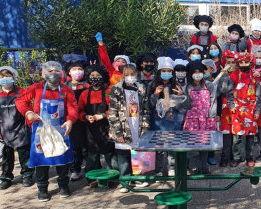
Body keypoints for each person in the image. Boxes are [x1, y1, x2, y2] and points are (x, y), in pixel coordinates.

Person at [15, 61, 77, 201]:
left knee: (62, 159)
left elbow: (73, 107)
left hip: (61, 130)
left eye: (56, 70)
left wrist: (71, 120)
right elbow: (20, 101)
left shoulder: (66, 90)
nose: (53, 73)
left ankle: (63, 186)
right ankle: (42, 188)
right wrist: (28, 112)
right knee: (41, 161)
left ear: (61, 73)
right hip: (40, 131)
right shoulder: (36, 88)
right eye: (50, 71)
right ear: (43, 74)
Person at [0, 66, 34, 190]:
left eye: (8, 76)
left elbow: (28, 110)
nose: (5, 79)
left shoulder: (22, 92)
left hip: (21, 129)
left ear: (13, 77)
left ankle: (27, 175)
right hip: (4, 131)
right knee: (6, 157)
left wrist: (31, 127)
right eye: (2, 77)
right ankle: (6, 177)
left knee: (25, 155)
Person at [108, 64, 151, 192]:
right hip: (123, 126)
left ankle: (138, 178)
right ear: (122, 76)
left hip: (137, 125)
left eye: (132, 74)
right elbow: (112, 112)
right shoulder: (117, 89)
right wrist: (118, 133)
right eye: (127, 75)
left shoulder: (141, 88)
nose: (130, 77)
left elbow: (146, 110)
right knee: (123, 156)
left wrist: (145, 129)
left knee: (137, 154)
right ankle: (125, 180)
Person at [148, 57, 191, 177]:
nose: (166, 74)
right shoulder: (152, 85)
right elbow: (149, 104)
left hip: (173, 121)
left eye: (169, 71)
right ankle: (159, 169)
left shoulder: (176, 85)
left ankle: (172, 167)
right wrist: (155, 94)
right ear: (159, 72)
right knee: (158, 146)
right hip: (158, 121)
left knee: (172, 144)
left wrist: (181, 97)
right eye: (163, 71)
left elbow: (187, 104)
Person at [78, 65, 115, 188]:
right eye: (92, 76)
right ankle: (91, 179)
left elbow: (115, 110)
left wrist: (104, 115)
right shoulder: (84, 94)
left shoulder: (109, 92)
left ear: (103, 77)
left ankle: (113, 179)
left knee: (110, 155)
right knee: (92, 156)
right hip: (91, 130)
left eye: (98, 76)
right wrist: (85, 117)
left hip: (107, 128)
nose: (95, 78)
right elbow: (79, 111)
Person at [183, 61, 218, 174]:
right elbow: (187, 105)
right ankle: (197, 166)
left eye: (199, 72)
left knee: (205, 143)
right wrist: (184, 96)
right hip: (193, 119)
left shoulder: (209, 85)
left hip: (207, 118)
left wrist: (211, 116)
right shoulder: (187, 87)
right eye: (194, 72)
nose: (197, 74)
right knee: (195, 143)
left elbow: (213, 100)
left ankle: (204, 166)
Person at [229, 52, 260, 167]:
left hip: (251, 110)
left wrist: (257, 111)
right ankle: (236, 157)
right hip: (237, 110)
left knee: (250, 138)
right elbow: (229, 92)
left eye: (246, 62)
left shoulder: (255, 76)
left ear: (250, 62)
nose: (243, 64)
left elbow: (259, 96)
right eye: (241, 62)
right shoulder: (234, 75)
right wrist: (231, 105)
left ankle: (250, 157)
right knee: (237, 138)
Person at [61, 54, 88, 181]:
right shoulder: (64, 87)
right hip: (72, 121)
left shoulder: (87, 85)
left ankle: (90, 169)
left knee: (87, 145)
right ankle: (75, 169)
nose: (77, 72)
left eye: (80, 69)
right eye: (74, 69)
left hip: (87, 119)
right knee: (75, 146)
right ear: (69, 72)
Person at [216, 50, 236, 167]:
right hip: (225, 107)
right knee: (226, 133)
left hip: (238, 106)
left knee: (236, 133)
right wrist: (224, 76)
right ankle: (225, 156)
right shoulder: (221, 75)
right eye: (228, 62)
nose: (231, 64)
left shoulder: (239, 74)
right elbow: (220, 92)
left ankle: (234, 156)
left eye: (233, 62)